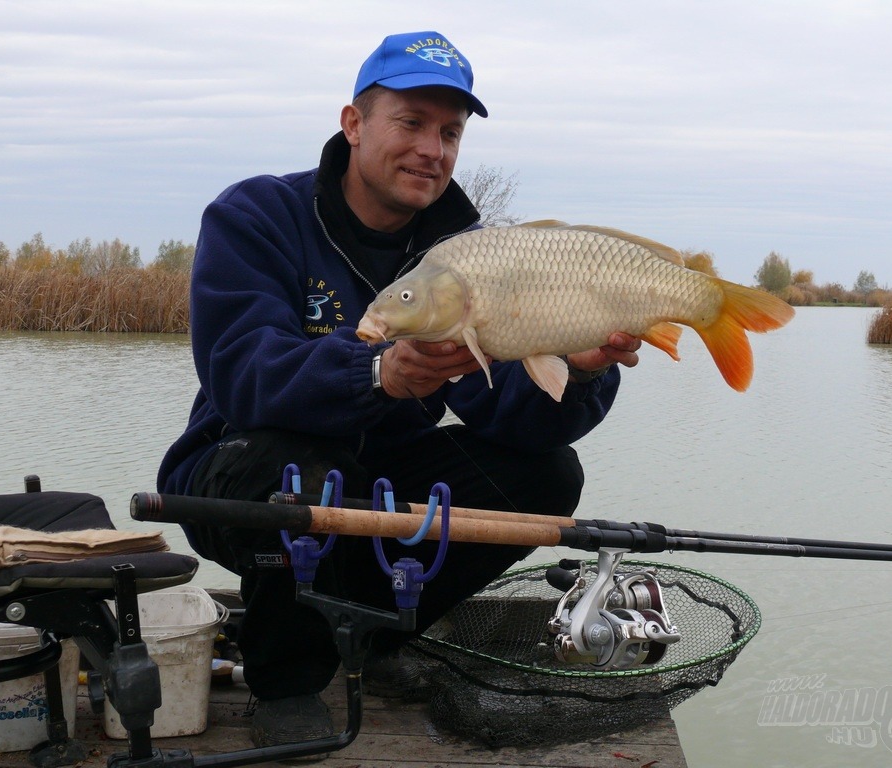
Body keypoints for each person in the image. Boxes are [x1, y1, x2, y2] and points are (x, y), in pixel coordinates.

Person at [157, 30, 642, 750]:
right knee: (304, 474)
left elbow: (507, 412)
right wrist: (375, 374)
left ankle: (381, 635)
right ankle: (285, 677)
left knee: (545, 473)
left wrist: (583, 365)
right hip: (242, 470)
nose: (432, 149)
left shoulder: (469, 253)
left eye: (450, 132)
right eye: (410, 122)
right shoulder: (257, 215)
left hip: (384, 486)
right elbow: (240, 371)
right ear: (354, 123)